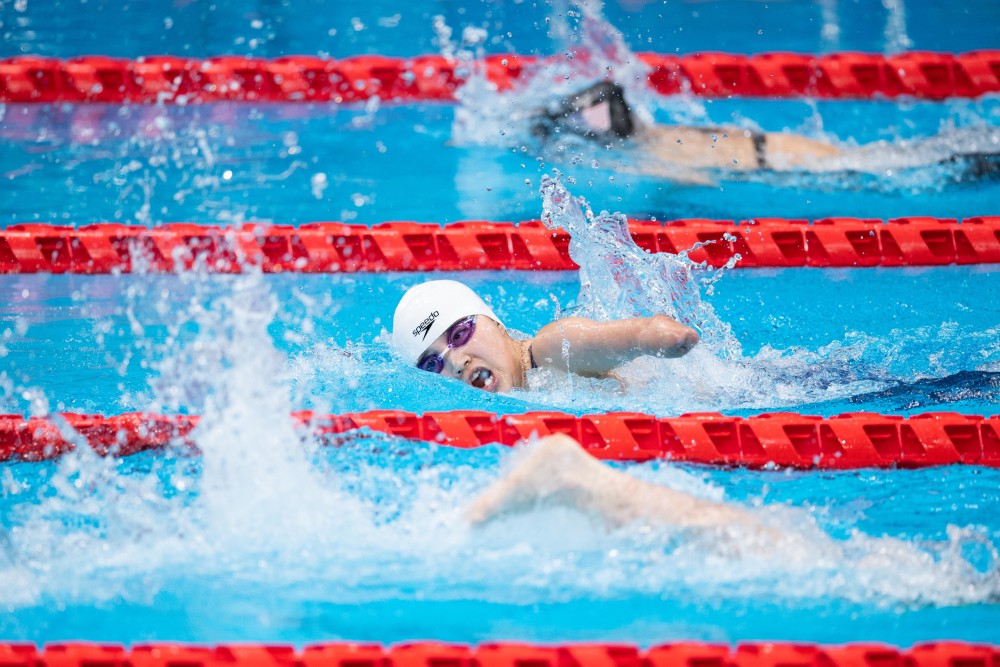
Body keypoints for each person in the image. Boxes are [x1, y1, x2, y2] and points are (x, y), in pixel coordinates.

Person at [531, 81, 1000, 180]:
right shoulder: (662, 132)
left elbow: (698, 181)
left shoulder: (654, 153)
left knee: (945, 164)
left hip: (788, 160)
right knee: (915, 153)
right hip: (781, 148)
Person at [391, 279, 699, 393]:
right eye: (433, 364)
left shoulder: (550, 349)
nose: (456, 362)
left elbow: (623, 337)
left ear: (497, 324)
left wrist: (652, 335)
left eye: (460, 334)